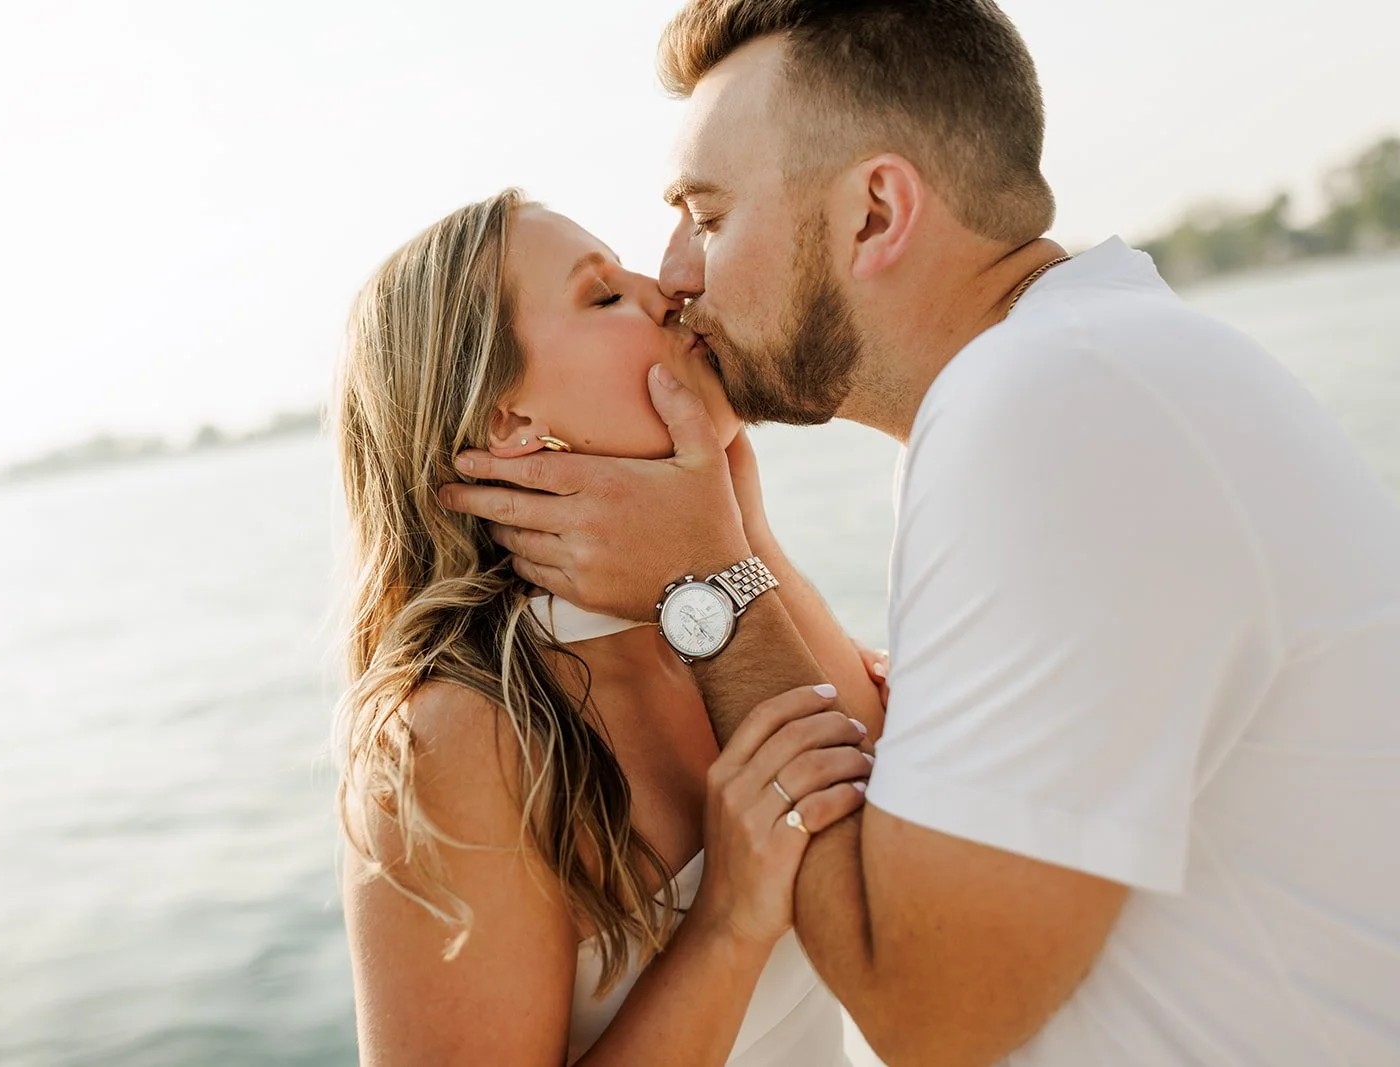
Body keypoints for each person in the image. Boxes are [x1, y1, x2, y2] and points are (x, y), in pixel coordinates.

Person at [438, 2, 1400, 1065]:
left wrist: (706, 585)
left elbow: (928, 1012)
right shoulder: (1084, 371)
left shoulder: (1042, 405)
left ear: (874, 213)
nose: (673, 275)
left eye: (707, 217)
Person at [336, 189, 892, 1066]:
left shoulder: (710, 622)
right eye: (602, 295)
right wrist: (727, 927)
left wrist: (738, 537)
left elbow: (904, 828)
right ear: (507, 423)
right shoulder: (462, 734)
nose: (667, 287)